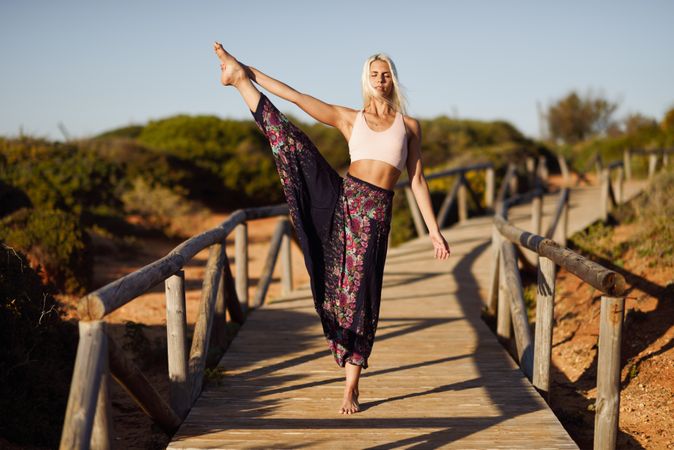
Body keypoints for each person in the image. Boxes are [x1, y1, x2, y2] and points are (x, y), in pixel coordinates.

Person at [213, 42, 450, 415]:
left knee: (362, 299)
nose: (380, 80)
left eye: (385, 74)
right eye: (374, 74)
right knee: (291, 143)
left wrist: (434, 231)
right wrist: (248, 70)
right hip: (344, 204)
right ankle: (240, 82)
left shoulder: (410, 127)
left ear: (393, 80)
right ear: (366, 81)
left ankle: (351, 388)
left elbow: (417, 180)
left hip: (375, 219)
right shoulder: (349, 118)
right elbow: (297, 97)